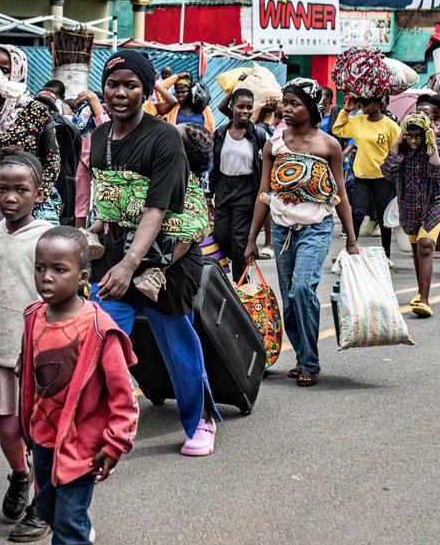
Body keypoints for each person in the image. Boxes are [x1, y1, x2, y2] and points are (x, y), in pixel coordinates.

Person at [87, 50, 218, 457]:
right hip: (117, 253)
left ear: (146, 90)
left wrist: (131, 265)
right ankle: (99, 424)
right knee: (99, 336)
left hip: (167, 257)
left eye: (131, 85)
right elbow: (109, 202)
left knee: (175, 338)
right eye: (113, 84)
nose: (120, 92)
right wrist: (89, 234)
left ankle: (200, 420)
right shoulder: (98, 138)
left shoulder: (164, 139)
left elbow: (157, 209)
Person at [20, 227, 138, 545]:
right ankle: (75, 536)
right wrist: (25, 427)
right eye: (41, 268)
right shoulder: (33, 317)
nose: (47, 277)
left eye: (59, 270)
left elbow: (123, 395)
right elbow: (27, 376)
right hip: (43, 438)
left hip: (81, 445)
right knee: (49, 508)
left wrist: (115, 444)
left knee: (68, 522)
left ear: (84, 276)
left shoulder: (99, 328)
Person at [245, 79, 358, 384]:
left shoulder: (328, 145)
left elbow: (341, 195)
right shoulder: (274, 143)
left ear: (311, 108)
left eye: (295, 104)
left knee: (302, 289)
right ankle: (302, 354)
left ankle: (309, 362)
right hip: (282, 233)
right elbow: (264, 194)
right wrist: (252, 240)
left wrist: (351, 240)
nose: (287, 109)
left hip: (316, 229)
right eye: (286, 102)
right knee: (289, 300)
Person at [0, 153, 54, 541]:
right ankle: (20, 475)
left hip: (43, 356)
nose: (10, 197)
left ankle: (42, 507)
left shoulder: (48, 237)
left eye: (20, 190)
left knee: (42, 434)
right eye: (2, 189)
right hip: (5, 352)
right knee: (8, 428)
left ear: (37, 194)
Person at [0, 45, 62, 224]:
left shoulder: (35, 110)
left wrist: (34, 199)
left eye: (4, 70)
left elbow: (52, 162)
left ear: (18, 72)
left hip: (31, 201)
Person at [381, 112, 440, 318]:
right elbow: (387, 172)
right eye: (409, 136)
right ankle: (420, 292)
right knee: (416, 250)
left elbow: (438, 173)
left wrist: (431, 146)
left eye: (418, 136)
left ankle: (425, 300)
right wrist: (397, 144)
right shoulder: (401, 147)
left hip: (432, 203)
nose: (413, 140)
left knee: (425, 245)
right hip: (408, 205)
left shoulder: (434, 144)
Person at [331, 94, 401, 263]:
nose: (363, 105)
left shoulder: (390, 126)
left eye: (367, 102)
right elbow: (337, 129)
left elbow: (397, 149)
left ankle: (387, 255)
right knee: (356, 213)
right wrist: (346, 110)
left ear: (379, 102)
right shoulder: (358, 121)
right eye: (361, 102)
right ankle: (349, 250)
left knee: (384, 218)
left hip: (383, 178)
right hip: (362, 176)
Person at [210, 89, 268, 280]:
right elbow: (215, 166)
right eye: (240, 106)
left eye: (249, 107)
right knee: (221, 234)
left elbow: (269, 161)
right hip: (224, 188)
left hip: (246, 189)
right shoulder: (220, 133)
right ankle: (240, 263)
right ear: (232, 108)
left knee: (239, 237)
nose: (245, 111)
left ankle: (242, 284)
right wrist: (209, 193)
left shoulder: (258, 134)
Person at [71, 91, 108, 228]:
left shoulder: (110, 124)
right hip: (83, 162)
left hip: (105, 169)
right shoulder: (78, 131)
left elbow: (106, 129)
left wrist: (92, 100)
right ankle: (80, 233)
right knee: (81, 199)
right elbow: (81, 200)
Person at [146, 72, 216, 132]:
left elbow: (211, 130)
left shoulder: (204, 109)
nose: (180, 95)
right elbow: (160, 88)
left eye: (184, 92)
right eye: (177, 92)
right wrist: (177, 77)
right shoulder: (173, 108)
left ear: (191, 92)